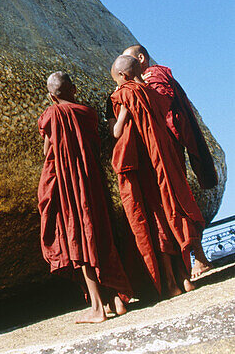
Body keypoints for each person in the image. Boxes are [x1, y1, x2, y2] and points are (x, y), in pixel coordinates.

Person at [110, 55, 212, 290]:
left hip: (145, 164)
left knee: (156, 220)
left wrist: (120, 114)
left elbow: (117, 132)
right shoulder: (154, 94)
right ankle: (185, 278)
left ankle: (169, 281)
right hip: (166, 162)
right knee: (174, 212)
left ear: (123, 77)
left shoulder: (123, 95)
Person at [38, 71, 132, 322]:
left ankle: (97, 308)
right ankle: (115, 299)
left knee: (78, 238)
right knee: (100, 233)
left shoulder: (50, 115)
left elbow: (48, 150)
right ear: (75, 90)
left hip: (68, 185)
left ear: (51, 96)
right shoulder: (87, 113)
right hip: (92, 181)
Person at [121, 44, 218, 190]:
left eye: (129, 60)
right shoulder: (145, 77)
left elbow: (161, 101)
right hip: (167, 131)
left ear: (141, 58)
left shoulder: (153, 73)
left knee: (174, 177)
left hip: (170, 131)